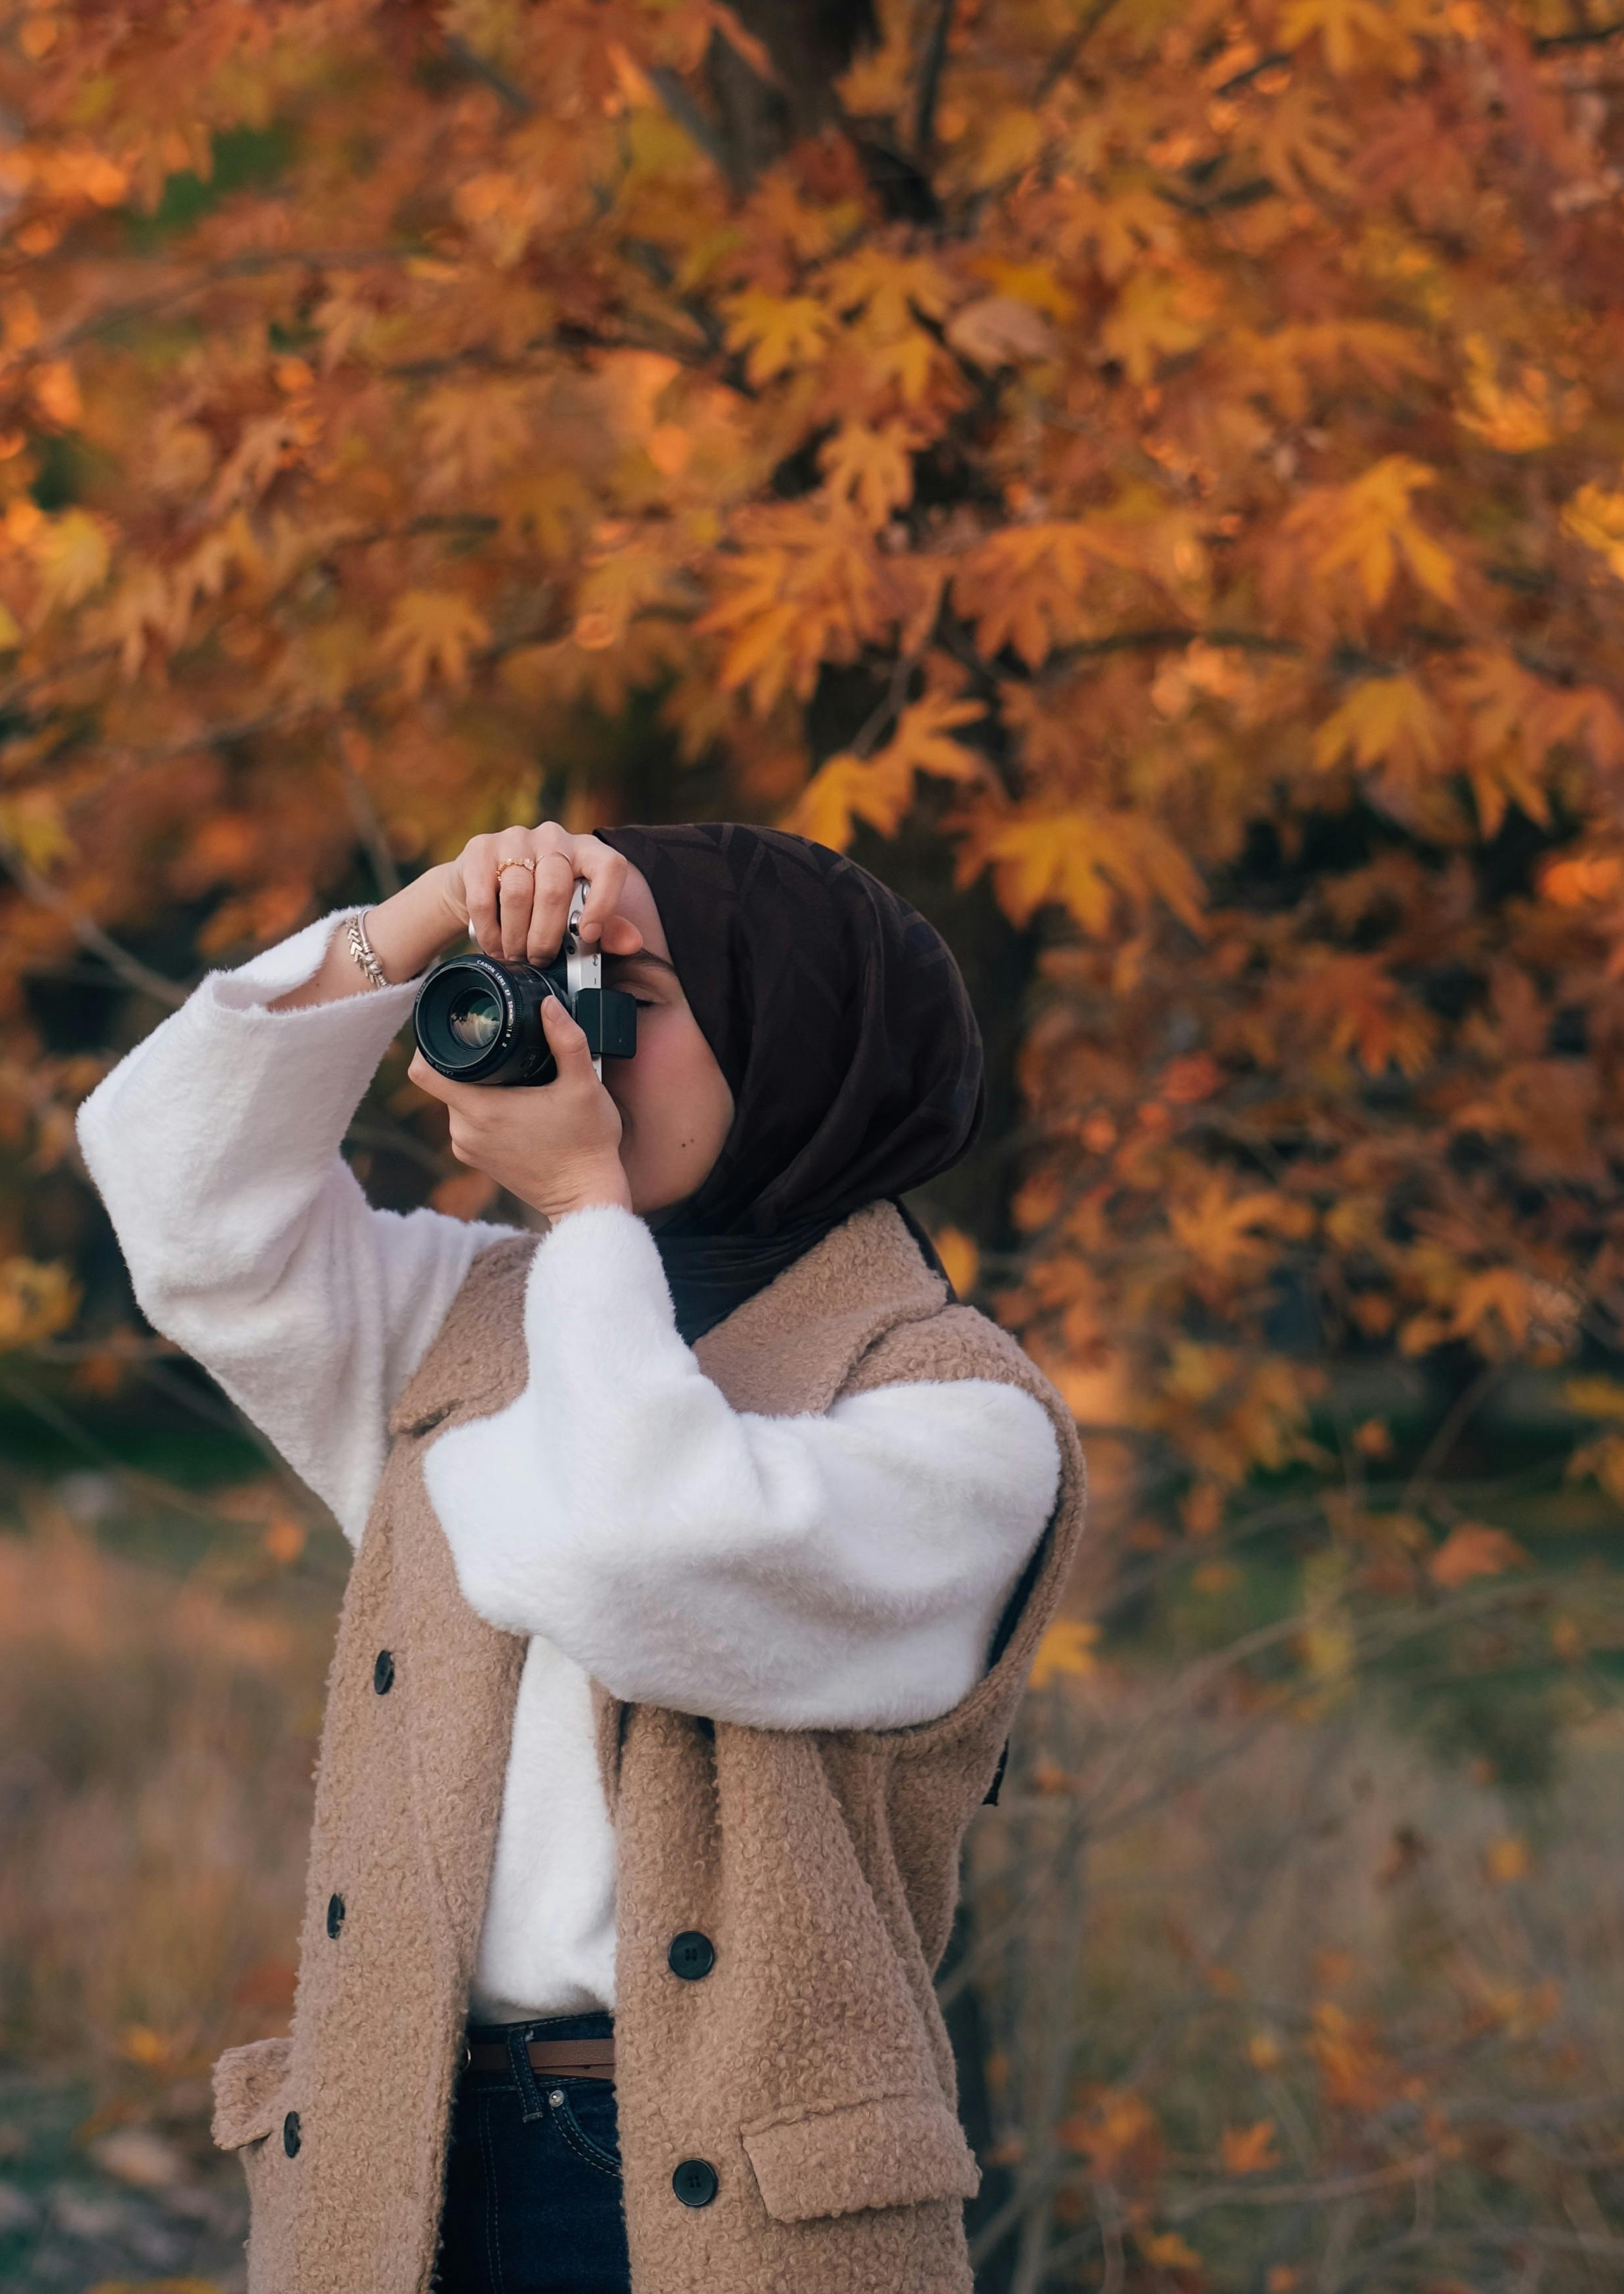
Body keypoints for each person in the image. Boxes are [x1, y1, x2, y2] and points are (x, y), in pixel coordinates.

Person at [78, 815, 1086, 2294]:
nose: (575, 1040)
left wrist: (582, 1209)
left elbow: (632, 1552)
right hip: (395, 2149)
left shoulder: (954, 1410)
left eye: (639, 997)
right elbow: (177, 1196)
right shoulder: (476, 1314)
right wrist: (417, 919)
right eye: (556, 983)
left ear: (794, 1045)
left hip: (720, 2196)